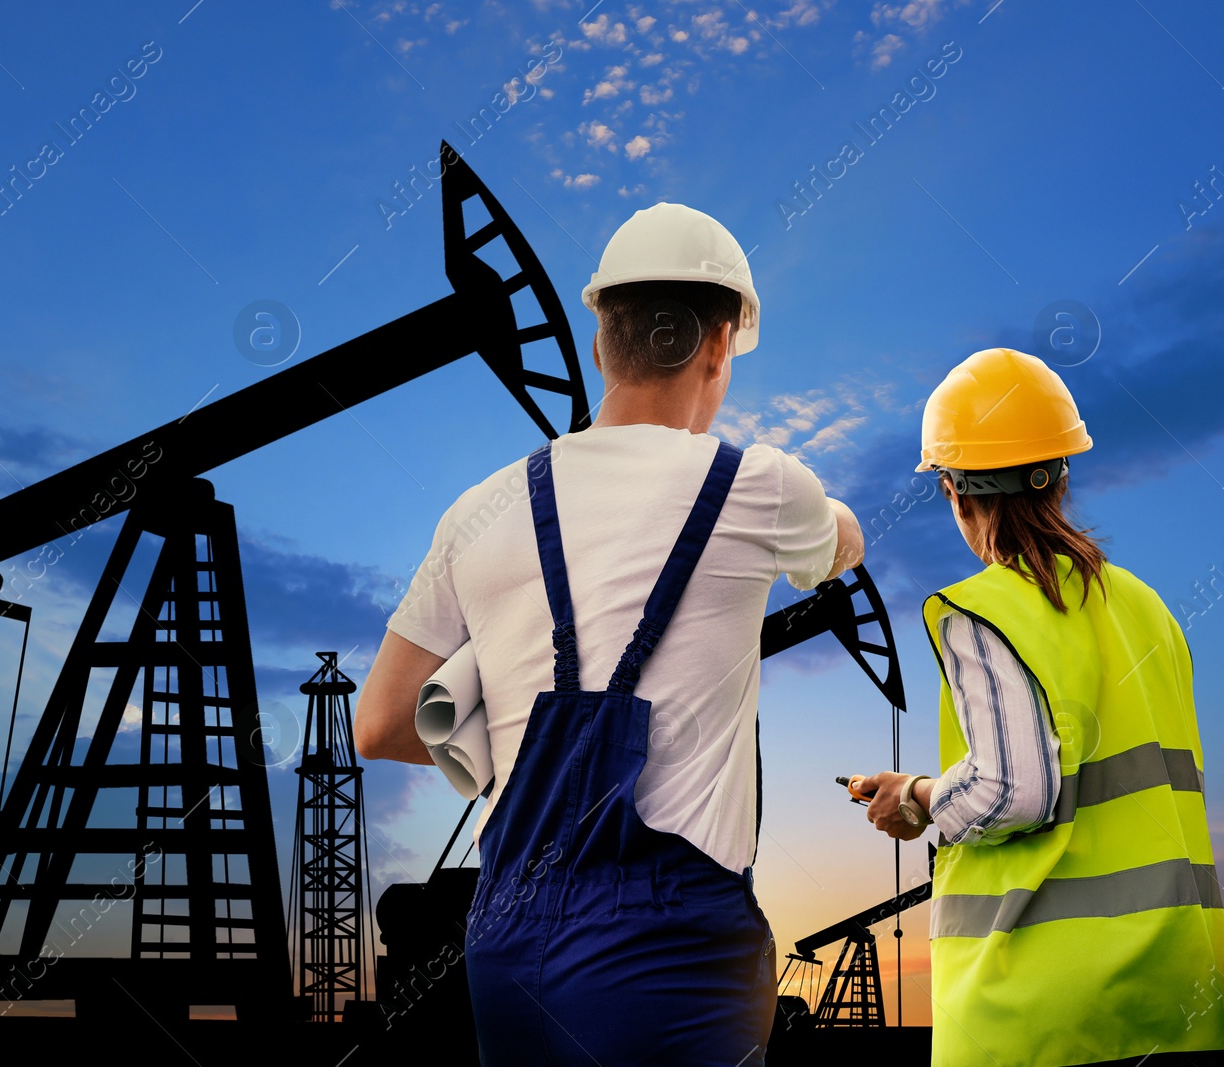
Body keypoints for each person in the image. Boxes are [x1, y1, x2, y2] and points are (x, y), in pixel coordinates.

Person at [354, 202, 864, 1066]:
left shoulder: (476, 512)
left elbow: (380, 724)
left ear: (600, 346)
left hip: (509, 937)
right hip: (675, 946)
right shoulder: (764, 487)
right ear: (718, 344)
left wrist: (498, 742)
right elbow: (841, 545)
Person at [855, 348, 1224, 1066]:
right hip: (1177, 993)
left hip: (1044, 1014)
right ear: (1062, 476)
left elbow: (1013, 790)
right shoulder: (1147, 608)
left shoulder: (984, 611)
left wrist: (917, 795)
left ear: (956, 492)